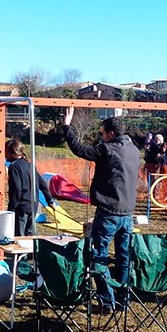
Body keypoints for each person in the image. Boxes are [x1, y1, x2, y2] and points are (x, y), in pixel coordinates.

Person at [63, 108, 142, 313]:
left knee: (99, 255)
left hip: (109, 211)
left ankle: (107, 301)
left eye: (103, 133)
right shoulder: (134, 150)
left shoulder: (107, 150)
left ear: (111, 134)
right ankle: (123, 300)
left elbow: (80, 149)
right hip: (128, 212)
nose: (101, 137)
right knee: (123, 257)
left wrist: (67, 126)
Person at [4, 139, 55, 237]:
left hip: (21, 208)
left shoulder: (14, 167)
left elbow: (16, 189)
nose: (5, 155)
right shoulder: (30, 165)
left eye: (6, 152)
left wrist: (12, 208)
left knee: (19, 237)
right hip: (33, 206)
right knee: (30, 236)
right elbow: (42, 184)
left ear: (12, 152)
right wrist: (50, 200)